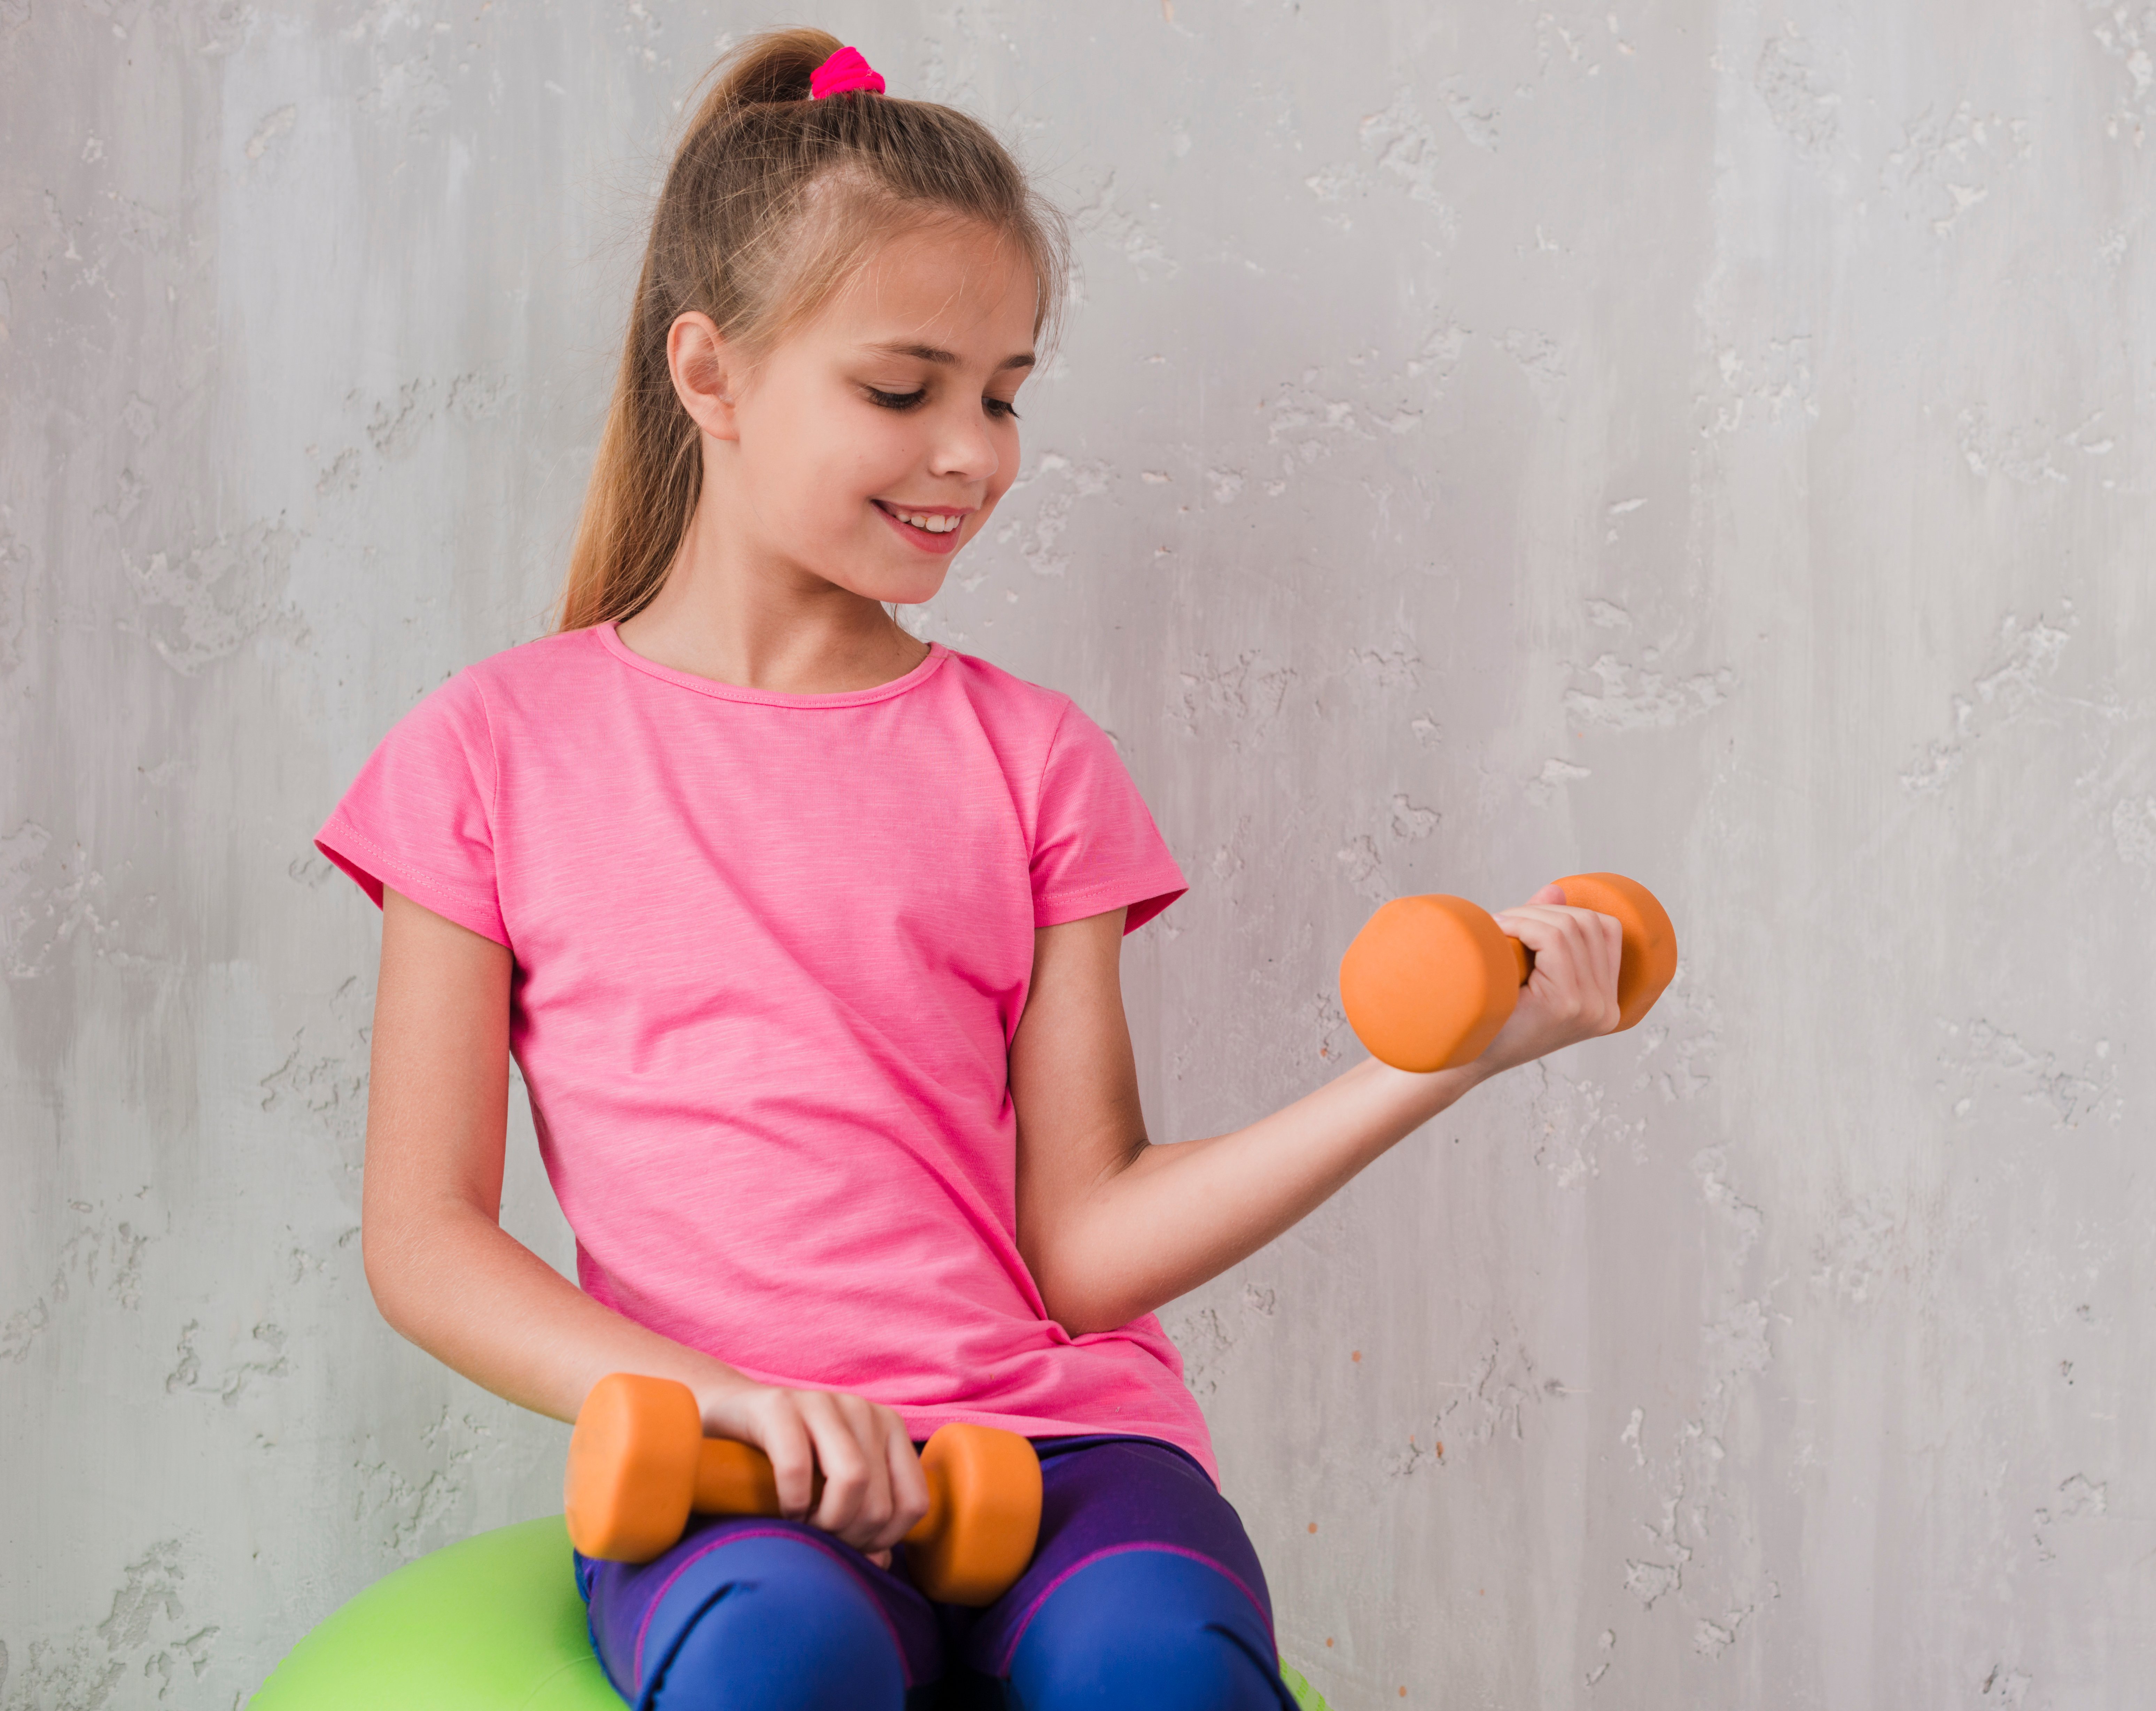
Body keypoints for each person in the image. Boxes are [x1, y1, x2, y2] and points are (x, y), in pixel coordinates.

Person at [317, 29, 1628, 1711]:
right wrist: (721, 1403)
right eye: (904, 389)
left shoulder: (1035, 763)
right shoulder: (491, 749)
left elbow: (1082, 1248)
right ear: (708, 375)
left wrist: (1434, 1064)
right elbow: (423, 1236)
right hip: (736, 1481)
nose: (976, 453)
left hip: (1062, 1453)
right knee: (774, 1662)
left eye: (1004, 392)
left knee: (1159, 1666)